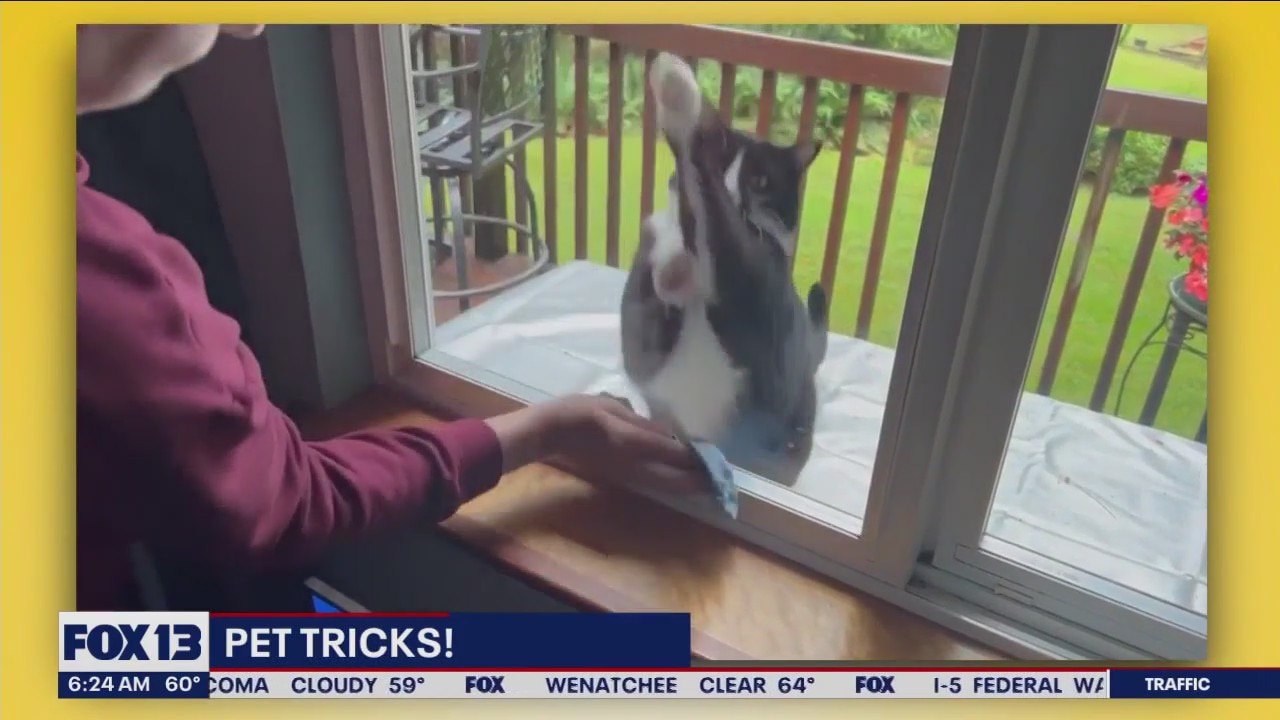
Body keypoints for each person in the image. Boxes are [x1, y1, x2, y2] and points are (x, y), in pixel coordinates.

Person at [76, 25, 704, 611]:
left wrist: (551, 426)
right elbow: (285, 500)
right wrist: (547, 429)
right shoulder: (94, 275)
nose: (251, 25)